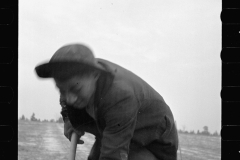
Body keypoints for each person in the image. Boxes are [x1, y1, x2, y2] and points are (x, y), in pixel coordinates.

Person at [35, 43, 178, 160]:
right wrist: (68, 120)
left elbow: (112, 156)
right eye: (62, 90)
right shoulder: (74, 84)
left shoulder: (120, 96)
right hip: (117, 127)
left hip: (153, 140)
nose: (70, 98)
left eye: (76, 89)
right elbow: (66, 98)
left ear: (95, 75)